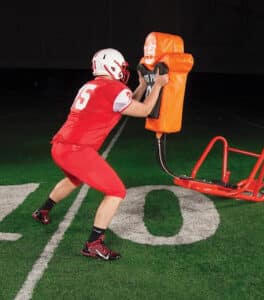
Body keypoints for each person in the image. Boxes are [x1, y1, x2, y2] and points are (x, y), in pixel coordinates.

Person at [32, 48, 169, 261]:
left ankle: (42, 211)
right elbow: (143, 110)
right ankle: (93, 244)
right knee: (116, 191)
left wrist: (142, 86)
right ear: (112, 66)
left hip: (59, 146)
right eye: (121, 67)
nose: (123, 71)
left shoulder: (90, 86)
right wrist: (158, 85)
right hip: (78, 150)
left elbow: (123, 105)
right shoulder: (114, 88)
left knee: (74, 179)